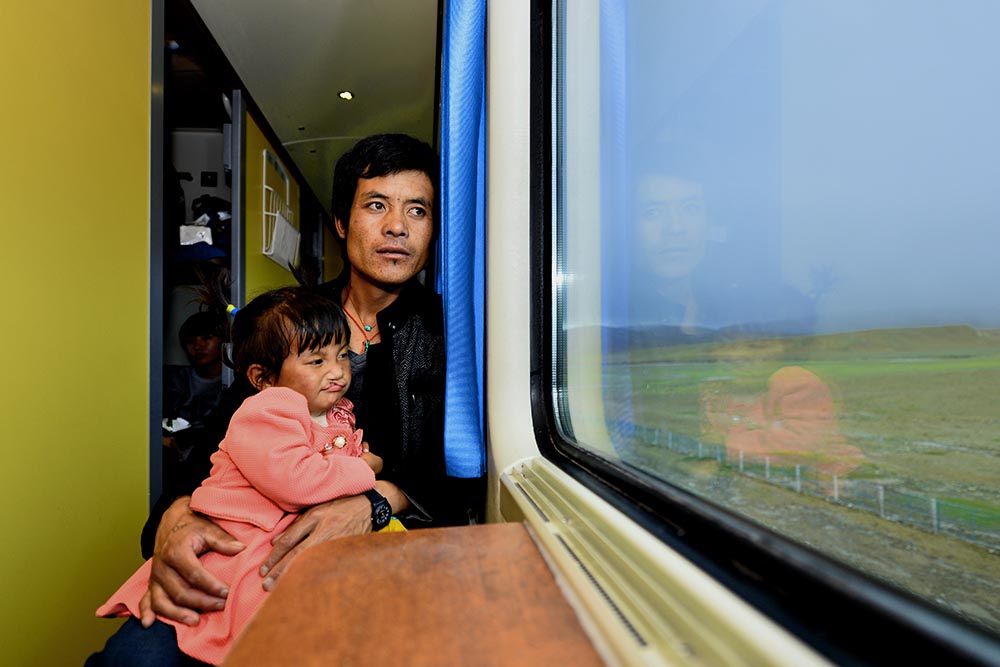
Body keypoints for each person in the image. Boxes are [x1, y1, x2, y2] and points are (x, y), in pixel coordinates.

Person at [89, 134, 470, 667]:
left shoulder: (459, 336)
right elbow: (218, 448)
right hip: (242, 560)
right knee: (133, 661)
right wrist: (174, 519)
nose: (397, 227)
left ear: (434, 230)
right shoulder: (290, 323)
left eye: (418, 210)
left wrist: (373, 503)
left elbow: (463, 480)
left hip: (368, 568)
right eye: (376, 205)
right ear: (341, 222)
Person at [97, 287, 393, 664]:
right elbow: (299, 482)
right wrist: (366, 467)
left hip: (286, 545)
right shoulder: (266, 410)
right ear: (263, 378)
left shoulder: (334, 409)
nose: (337, 371)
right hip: (239, 548)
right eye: (317, 362)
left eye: (342, 356)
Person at [162, 311, 227, 465]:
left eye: (206, 338)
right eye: (190, 341)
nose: (198, 346)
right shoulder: (175, 380)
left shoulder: (234, 383)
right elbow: (163, 420)